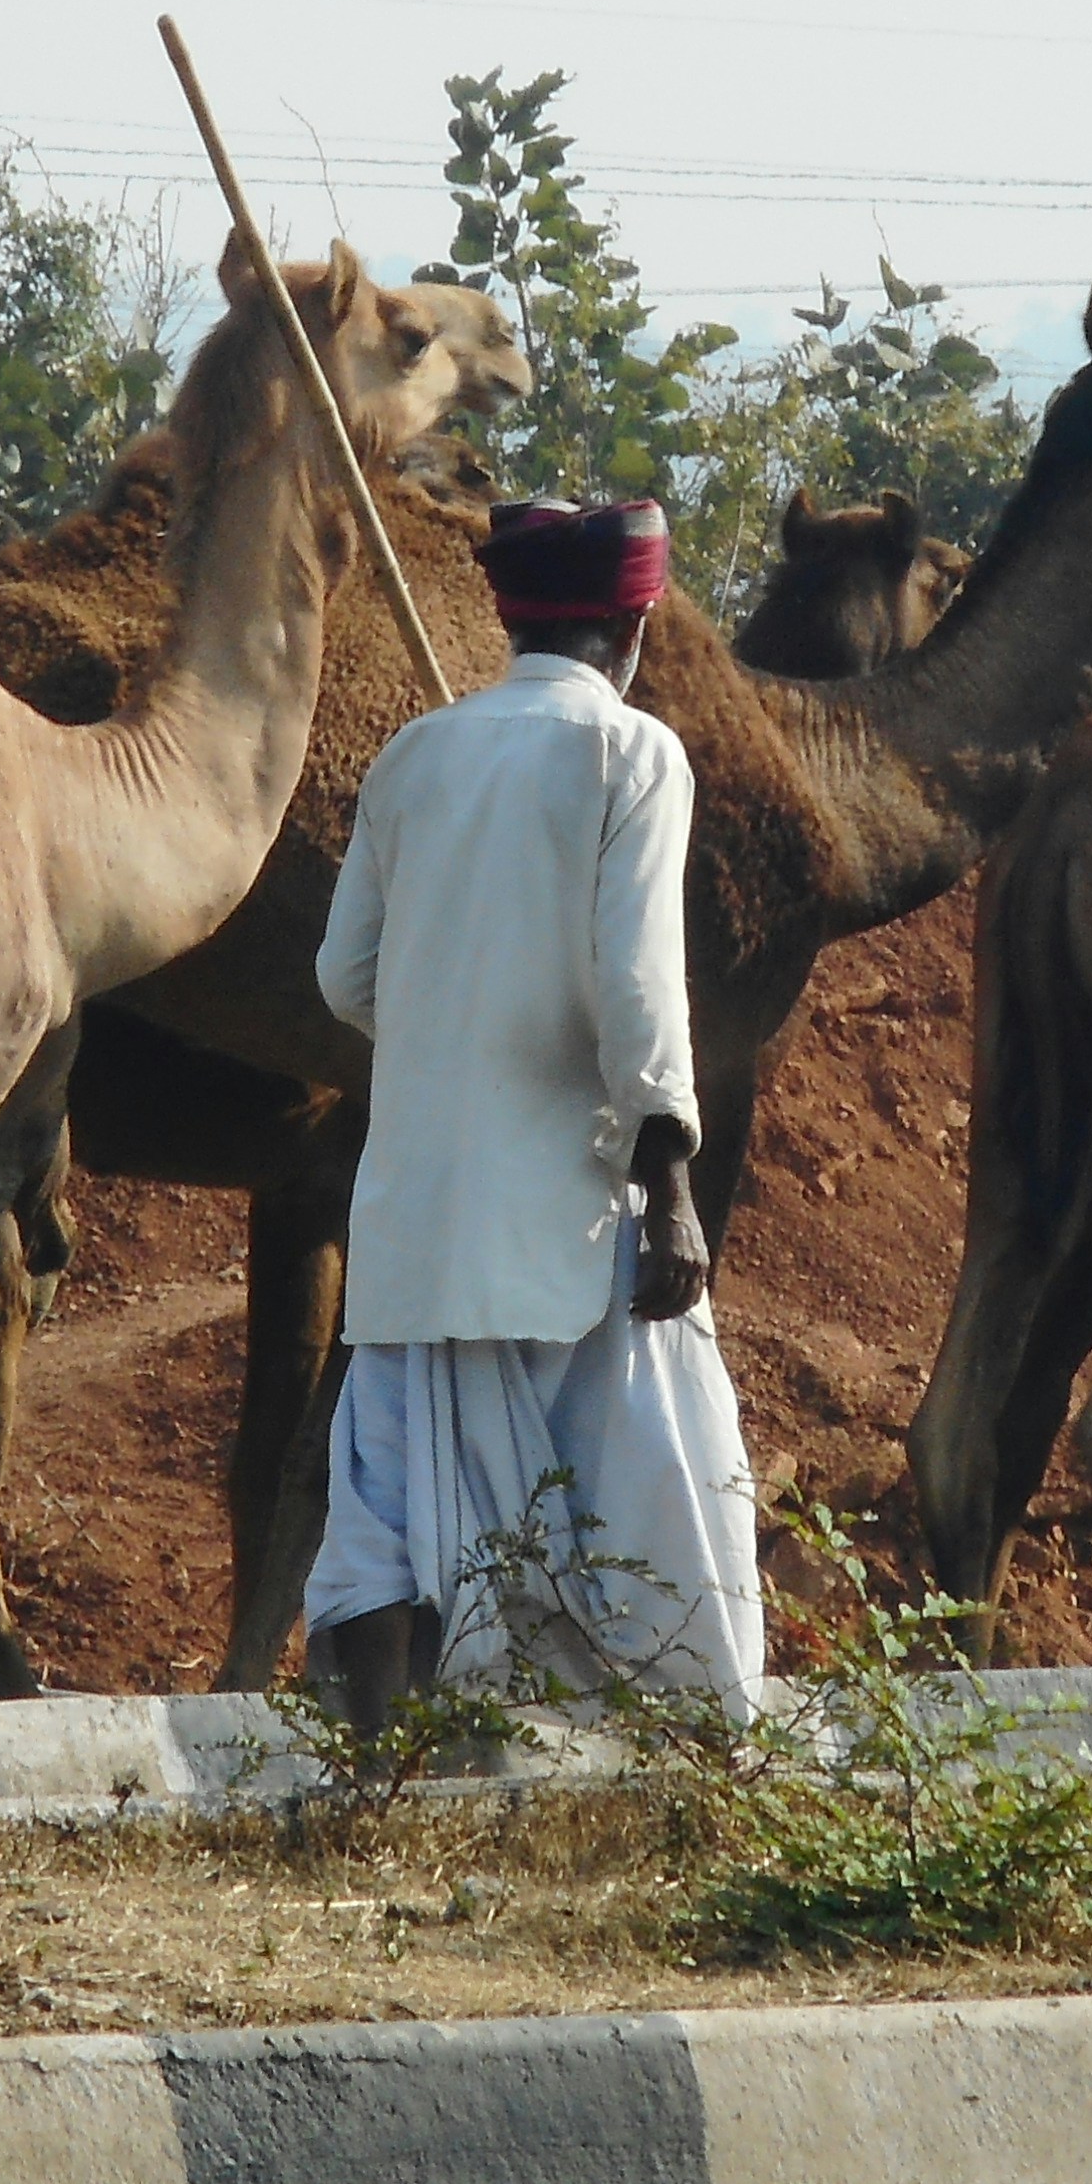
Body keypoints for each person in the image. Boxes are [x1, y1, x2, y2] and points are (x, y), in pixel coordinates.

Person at [303, 494, 768, 1733]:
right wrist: (670, 1195)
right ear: (638, 619)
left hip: (412, 1226)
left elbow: (345, 979)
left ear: (509, 616)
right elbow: (638, 991)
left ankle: (384, 1788)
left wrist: (450, 1027)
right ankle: (666, 1762)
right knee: (649, 1506)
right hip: (572, 1223)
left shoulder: (413, 754)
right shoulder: (634, 754)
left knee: (394, 1517)